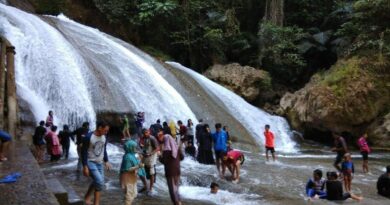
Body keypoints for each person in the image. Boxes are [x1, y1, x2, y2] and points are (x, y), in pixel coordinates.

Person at [81, 121, 112, 205]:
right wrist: (85, 166)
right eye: (105, 130)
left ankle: (87, 197)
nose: (106, 132)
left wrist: (106, 161)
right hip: (90, 162)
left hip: (99, 162)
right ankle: (96, 203)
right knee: (99, 181)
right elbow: (83, 152)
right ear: (99, 128)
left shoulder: (104, 137)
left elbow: (103, 149)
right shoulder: (88, 137)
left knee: (98, 182)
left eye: (107, 131)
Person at [157, 130, 183, 205]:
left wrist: (159, 155)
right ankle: (179, 202)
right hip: (177, 170)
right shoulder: (176, 147)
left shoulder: (166, 150)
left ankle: (176, 203)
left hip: (170, 172)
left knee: (172, 189)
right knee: (176, 188)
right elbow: (182, 157)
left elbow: (164, 161)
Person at [120, 140, 146, 205]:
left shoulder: (132, 155)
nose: (135, 148)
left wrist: (142, 159)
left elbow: (138, 163)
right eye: (134, 147)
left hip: (132, 179)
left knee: (133, 194)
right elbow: (127, 169)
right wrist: (138, 166)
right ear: (130, 147)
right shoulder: (127, 157)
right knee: (129, 197)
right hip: (127, 179)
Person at [139, 128, 159, 193]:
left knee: (151, 172)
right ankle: (145, 186)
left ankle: (150, 189)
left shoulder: (152, 138)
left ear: (149, 132)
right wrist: (141, 147)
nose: (146, 134)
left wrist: (150, 154)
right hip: (145, 155)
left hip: (151, 157)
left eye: (147, 132)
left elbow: (157, 148)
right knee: (141, 170)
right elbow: (144, 146)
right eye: (145, 133)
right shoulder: (143, 138)